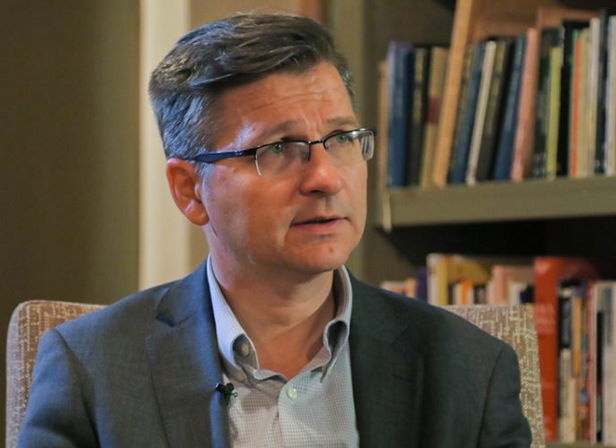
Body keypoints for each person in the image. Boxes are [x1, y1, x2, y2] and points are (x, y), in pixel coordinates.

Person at [18, 13, 531, 448]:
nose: (326, 178)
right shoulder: (94, 368)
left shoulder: (468, 370)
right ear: (190, 190)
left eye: (341, 138)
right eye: (279, 149)